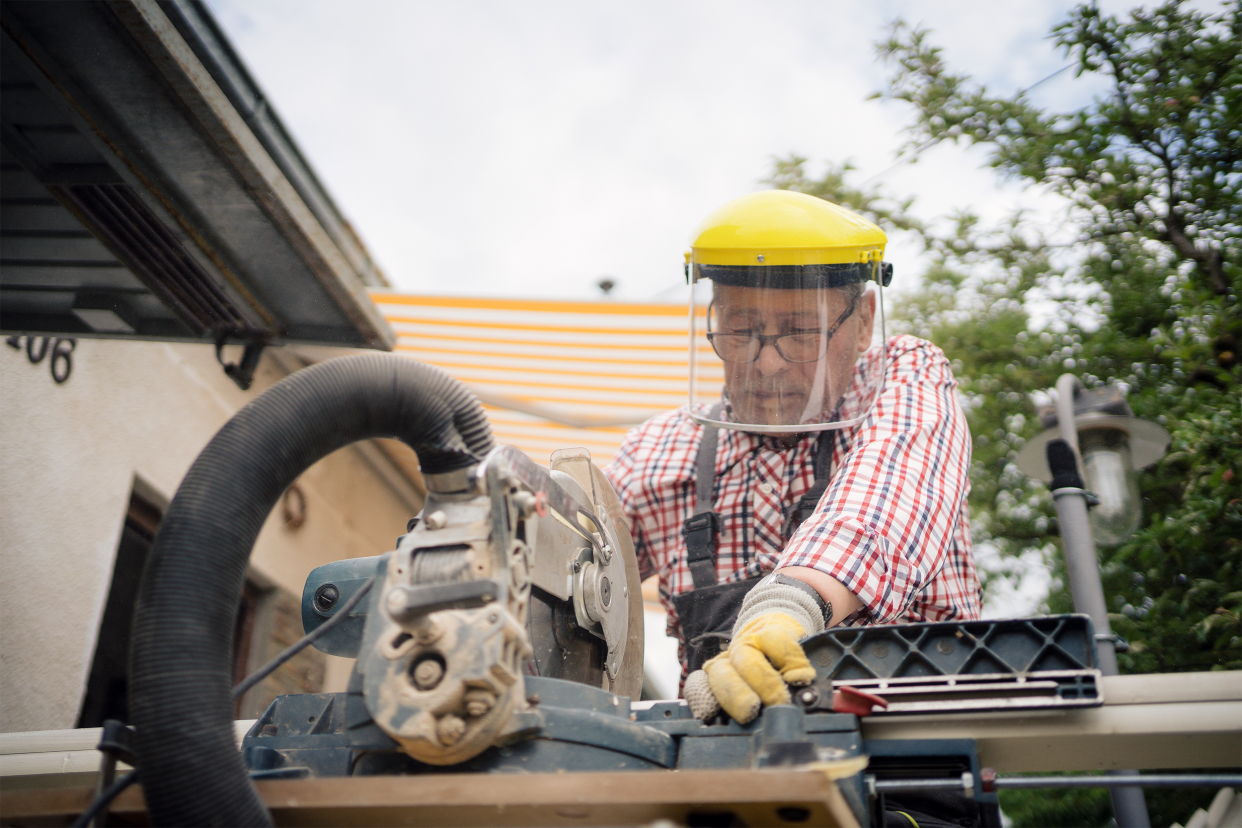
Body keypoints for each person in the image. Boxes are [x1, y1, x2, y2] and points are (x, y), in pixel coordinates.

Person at [603, 190, 981, 725]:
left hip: (909, 771)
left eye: (801, 332)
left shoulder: (906, 379)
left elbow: (885, 500)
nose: (769, 363)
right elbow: (578, 571)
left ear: (864, 319)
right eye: (740, 331)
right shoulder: (656, 450)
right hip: (727, 781)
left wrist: (787, 610)